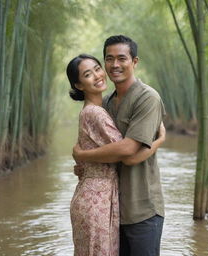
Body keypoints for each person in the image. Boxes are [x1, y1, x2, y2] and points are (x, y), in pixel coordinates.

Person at [73, 35, 166, 256]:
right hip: (110, 210)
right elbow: (87, 150)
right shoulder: (103, 104)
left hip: (141, 209)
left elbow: (128, 154)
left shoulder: (147, 98)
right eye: (109, 58)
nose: (115, 65)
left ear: (134, 61)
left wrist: (83, 155)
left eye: (122, 58)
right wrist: (82, 161)